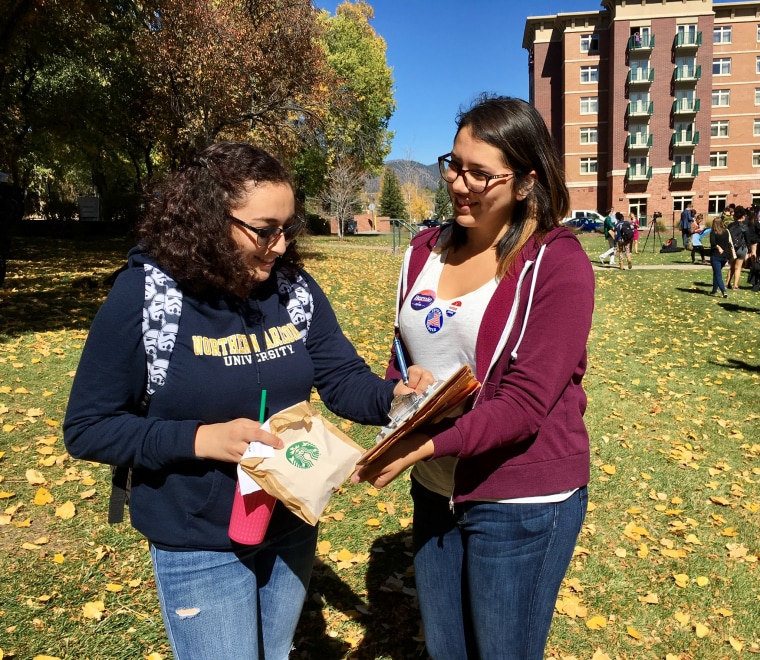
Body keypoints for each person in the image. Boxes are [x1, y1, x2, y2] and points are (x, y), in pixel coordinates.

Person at [63, 142, 431, 660]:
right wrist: (200, 439)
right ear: (212, 219)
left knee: (274, 653)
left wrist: (395, 396)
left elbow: (342, 378)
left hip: (287, 521)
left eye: (288, 228)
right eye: (265, 230)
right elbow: (87, 427)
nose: (280, 246)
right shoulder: (147, 296)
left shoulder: (292, 291)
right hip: (197, 538)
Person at [354, 95, 594, 659]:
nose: (459, 185)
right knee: (447, 650)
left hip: (521, 498)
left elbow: (525, 403)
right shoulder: (422, 251)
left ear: (527, 181)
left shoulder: (556, 263)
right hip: (436, 491)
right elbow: (403, 356)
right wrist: (401, 396)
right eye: (454, 165)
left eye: (481, 174)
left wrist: (425, 444)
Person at [709, 216, 732, 298]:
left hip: (716, 256)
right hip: (724, 256)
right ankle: (714, 291)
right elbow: (727, 243)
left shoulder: (713, 232)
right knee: (716, 273)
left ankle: (724, 291)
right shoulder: (726, 232)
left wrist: (718, 247)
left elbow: (713, 243)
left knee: (718, 274)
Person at [726, 205, 748, 290]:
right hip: (741, 247)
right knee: (738, 267)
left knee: (732, 267)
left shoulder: (730, 225)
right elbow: (747, 238)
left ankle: (727, 283)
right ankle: (735, 285)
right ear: (743, 216)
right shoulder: (745, 226)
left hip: (732, 248)